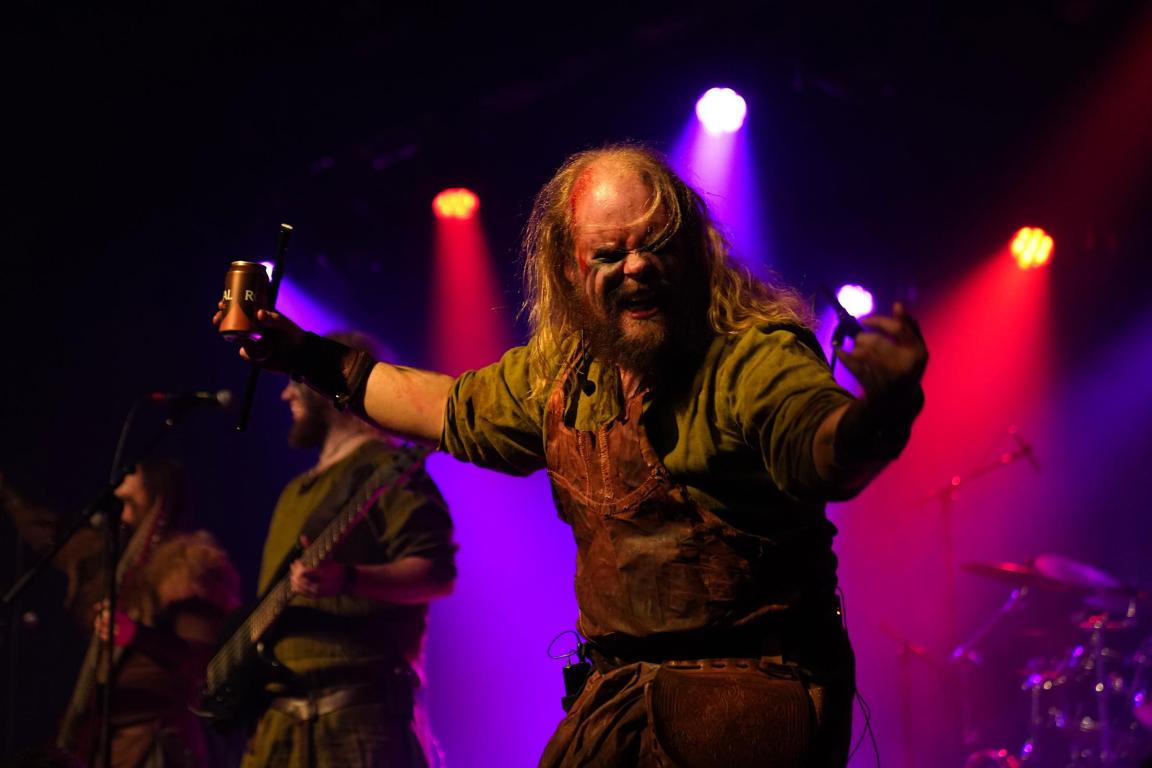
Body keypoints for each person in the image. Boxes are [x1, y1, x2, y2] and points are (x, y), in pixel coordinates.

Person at [218, 144, 928, 766]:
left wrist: (880, 413)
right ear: (569, 270)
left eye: (656, 244)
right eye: (609, 254)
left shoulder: (751, 355)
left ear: (692, 249)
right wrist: (304, 354)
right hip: (618, 701)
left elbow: (820, 449)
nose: (637, 266)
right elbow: (447, 407)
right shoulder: (560, 376)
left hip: (750, 701)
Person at [235, 330, 457, 768]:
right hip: (278, 729)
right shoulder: (295, 491)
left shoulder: (386, 468)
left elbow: (436, 573)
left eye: (295, 381)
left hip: (356, 725)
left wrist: (349, 579)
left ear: (325, 383)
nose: (285, 394)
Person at [2, 459, 241, 768]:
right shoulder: (117, 560)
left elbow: (202, 661)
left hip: (155, 742)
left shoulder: (189, 564)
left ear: (158, 483)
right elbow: (53, 538)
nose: (121, 481)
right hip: (105, 742)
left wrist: (137, 635)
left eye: (134, 471)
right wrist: (7, 495)